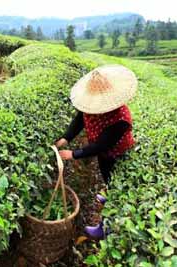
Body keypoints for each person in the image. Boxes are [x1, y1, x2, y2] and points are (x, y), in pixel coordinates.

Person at [55, 65, 138, 239]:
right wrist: (66, 138)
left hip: (116, 154)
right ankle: (108, 193)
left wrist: (73, 154)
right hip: (103, 154)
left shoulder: (121, 119)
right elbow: (79, 120)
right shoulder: (90, 105)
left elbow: (102, 145)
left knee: (114, 184)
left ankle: (104, 228)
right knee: (106, 177)